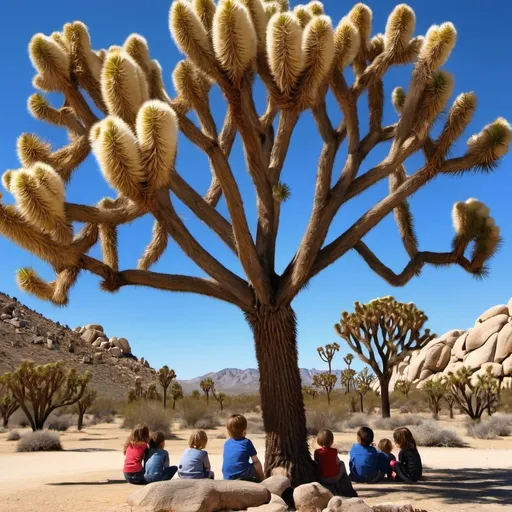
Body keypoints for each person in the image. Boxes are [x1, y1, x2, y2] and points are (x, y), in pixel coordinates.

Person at [314, 429, 358, 497]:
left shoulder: (317, 452)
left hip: (322, 479)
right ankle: (345, 482)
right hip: (334, 478)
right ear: (332, 441)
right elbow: (338, 462)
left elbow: (316, 463)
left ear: (318, 441)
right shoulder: (334, 451)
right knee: (342, 463)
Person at [222, 414, 264, 482]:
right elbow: (255, 460)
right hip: (242, 475)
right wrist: (260, 474)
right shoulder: (246, 442)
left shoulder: (226, 443)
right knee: (256, 463)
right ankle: (262, 479)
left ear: (229, 431)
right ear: (244, 431)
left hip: (227, 476)